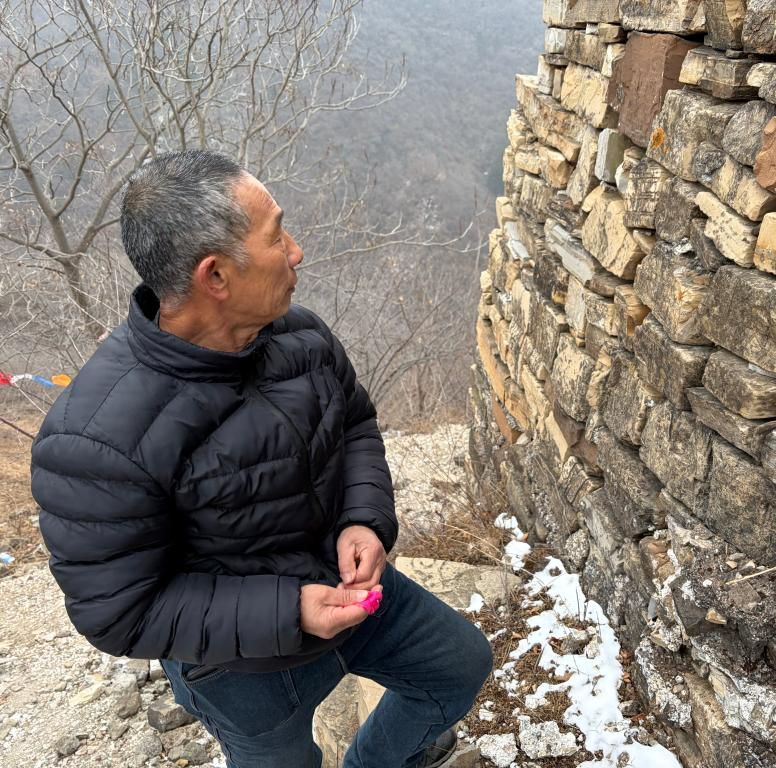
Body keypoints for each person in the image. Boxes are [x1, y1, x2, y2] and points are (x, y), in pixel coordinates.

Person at [30, 150, 493, 768]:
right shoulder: (94, 438)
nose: (296, 251)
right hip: (240, 668)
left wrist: (363, 520)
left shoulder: (299, 334)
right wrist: (289, 611)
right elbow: (119, 612)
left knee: (458, 665)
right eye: (276, 235)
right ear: (216, 275)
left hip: (358, 596)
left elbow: (355, 422)